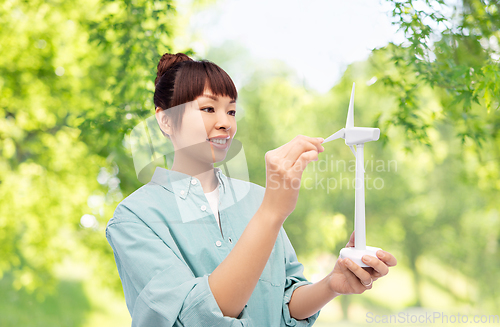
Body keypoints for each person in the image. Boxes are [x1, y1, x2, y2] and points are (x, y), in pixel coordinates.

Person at [106, 53, 397, 327]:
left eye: (231, 111)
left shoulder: (257, 198)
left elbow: (285, 301)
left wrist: (331, 284)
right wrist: (271, 213)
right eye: (208, 109)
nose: (225, 124)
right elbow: (197, 317)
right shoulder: (134, 218)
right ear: (165, 119)